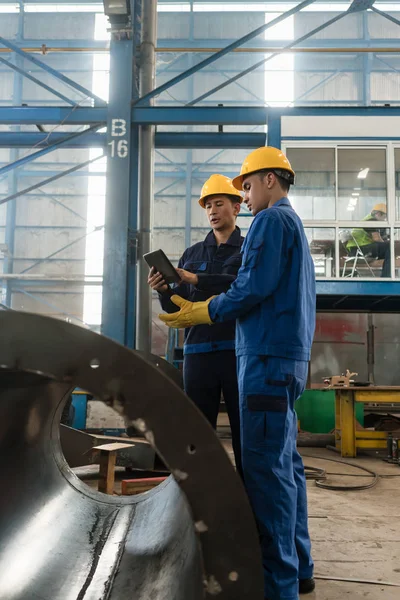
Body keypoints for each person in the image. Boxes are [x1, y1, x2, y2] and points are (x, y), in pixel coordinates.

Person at [159, 147, 316, 600]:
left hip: (263, 358)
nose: (241, 197)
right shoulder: (292, 224)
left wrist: (203, 309)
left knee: (264, 476)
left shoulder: (269, 222)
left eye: (244, 187)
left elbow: (250, 286)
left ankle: (275, 586)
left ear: (269, 179)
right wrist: (185, 298)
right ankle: (299, 569)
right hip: (283, 357)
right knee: (285, 467)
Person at [148, 174, 244, 478]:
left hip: (237, 351)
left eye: (219, 204)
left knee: (244, 428)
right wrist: (163, 289)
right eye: (208, 206)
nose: (213, 211)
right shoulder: (192, 254)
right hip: (198, 352)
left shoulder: (249, 250)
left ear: (237, 207)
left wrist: (196, 278)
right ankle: (201, 492)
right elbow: (176, 304)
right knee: (199, 430)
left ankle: (246, 491)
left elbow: (243, 288)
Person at [346, 203, 390, 277]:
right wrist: (387, 243)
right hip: (360, 250)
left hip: (356, 250)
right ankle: (387, 276)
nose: (384, 220)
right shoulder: (371, 221)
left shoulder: (367, 219)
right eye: (384, 217)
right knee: (390, 248)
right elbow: (376, 239)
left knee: (388, 250)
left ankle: (387, 275)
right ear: (379, 214)